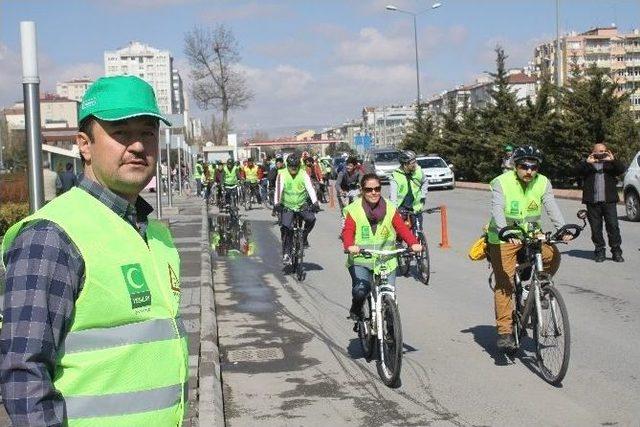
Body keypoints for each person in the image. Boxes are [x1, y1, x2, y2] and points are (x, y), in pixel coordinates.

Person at [0, 75, 188, 425]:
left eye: (147, 133)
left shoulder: (156, 234)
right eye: (120, 133)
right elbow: (23, 375)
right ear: (84, 145)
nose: (137, 146)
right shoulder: (52, 237)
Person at [486, 145, 572, 352]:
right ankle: (505, 331)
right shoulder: (501, 182)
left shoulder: (543, 182)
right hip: (504, 237)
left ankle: (530, 289)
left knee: (553, 255)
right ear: (516, 166)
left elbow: (551, 206)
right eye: (524, 166)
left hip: (531, 235)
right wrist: (505, 230)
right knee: (505, 282)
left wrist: (562, 229)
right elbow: (497, 208)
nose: (529, 171)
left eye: (534, 167)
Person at [342, 173, 422, 319]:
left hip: (386, 260)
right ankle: (356, 309)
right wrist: (349, 246)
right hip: (361, 260)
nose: (373, 192)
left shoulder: (390, 208)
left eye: (377, 189)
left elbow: (402, 228)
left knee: (389, 297)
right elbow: (347, 231)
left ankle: (391, 333)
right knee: (361, 291)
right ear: (362, 190)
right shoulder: (354, 209)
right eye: (369, 189)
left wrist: (414, 243)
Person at [573, 142, 626, 262]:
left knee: (613, 226)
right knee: (596, 228)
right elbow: (575, 171)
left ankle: (616, 251)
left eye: (603, 151)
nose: (601, 154)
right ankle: (599, 251)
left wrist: (613, 160)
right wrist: (586, 162)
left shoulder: (610, 164)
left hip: (609, 201)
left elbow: (621, 169)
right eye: (599, 151)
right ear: (593, 152)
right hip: (592, 202)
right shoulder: (588, 165)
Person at [274, 154, 319, 265]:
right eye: (291, 166)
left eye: (295, 166)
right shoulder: (282, 174)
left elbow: (310, 188)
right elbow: (278, 190)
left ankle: (303, 237)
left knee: (311, 219)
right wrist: (277, 204)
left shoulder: (303, 174)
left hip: (301, 204)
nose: (293, 168)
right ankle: (286, 253)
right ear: (287, 165)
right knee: (286, 227)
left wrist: (315, 202)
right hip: (287, 205)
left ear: (299, 165)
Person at [389, 150, 429, 225]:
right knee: (400, 232)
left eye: (415, 161)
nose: (415, 164)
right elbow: (393, 195)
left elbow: (425, 181)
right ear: (405, 164)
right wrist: (394, 209)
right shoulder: (395, 176)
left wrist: (423, 195)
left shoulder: (418, 171)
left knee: (418, 232)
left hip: (416, 207)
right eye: (412, 163)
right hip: (401, 208)